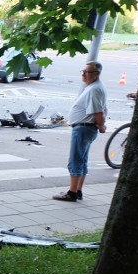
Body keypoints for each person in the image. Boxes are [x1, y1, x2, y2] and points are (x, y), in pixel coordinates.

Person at [52, 61, 108, 202]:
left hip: (83, 128)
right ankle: (78, 190)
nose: (83, 74)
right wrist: (100, 124)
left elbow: (99, 111)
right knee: (82, 160)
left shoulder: (94, 89)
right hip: (85, 128)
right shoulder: (95, 87)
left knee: (75, 160)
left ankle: (72, 193)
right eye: (82, 71)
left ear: (96, 74)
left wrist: (101, 124)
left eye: (87, 72)